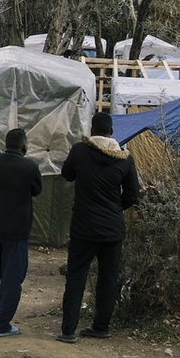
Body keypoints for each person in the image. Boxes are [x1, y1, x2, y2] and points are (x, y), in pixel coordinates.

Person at [57, 111, 141, 343]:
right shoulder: (124, 157)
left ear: (92, 130)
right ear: (112, 132)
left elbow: (67, 174)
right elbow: (133, 195)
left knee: (76, 277)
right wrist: (115, 209)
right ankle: (101, 326)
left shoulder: (80, 151)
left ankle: (68, 331)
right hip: (113, 230)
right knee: (108, 278)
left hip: (84, 227)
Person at [0, 128, 42, 337]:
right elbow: (37, 190)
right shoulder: (29, 167)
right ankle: (2, 325)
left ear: (6, 144)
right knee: (12, 279)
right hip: (16, 231)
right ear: (23, 146)